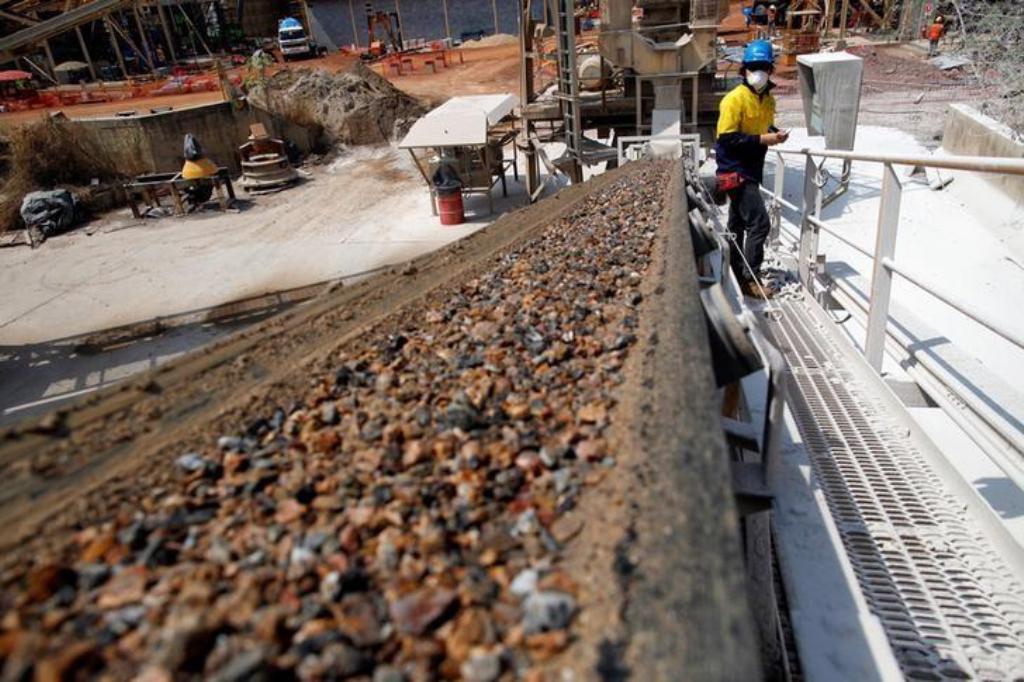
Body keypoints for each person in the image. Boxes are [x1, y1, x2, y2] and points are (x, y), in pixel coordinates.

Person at [714, 39, 788, 299]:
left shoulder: (767, 100)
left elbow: (763, 126)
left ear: (769, 69)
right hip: (733, 171)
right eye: (752, 67)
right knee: (759, 223)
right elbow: (726, 139)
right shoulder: (733, 100)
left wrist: (774, 133)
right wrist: (762, 140)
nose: (757, 72)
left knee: (737, 223)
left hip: (751, 169)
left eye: (762, 67)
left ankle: (734, 268)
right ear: (743, 70)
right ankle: (750, 280)